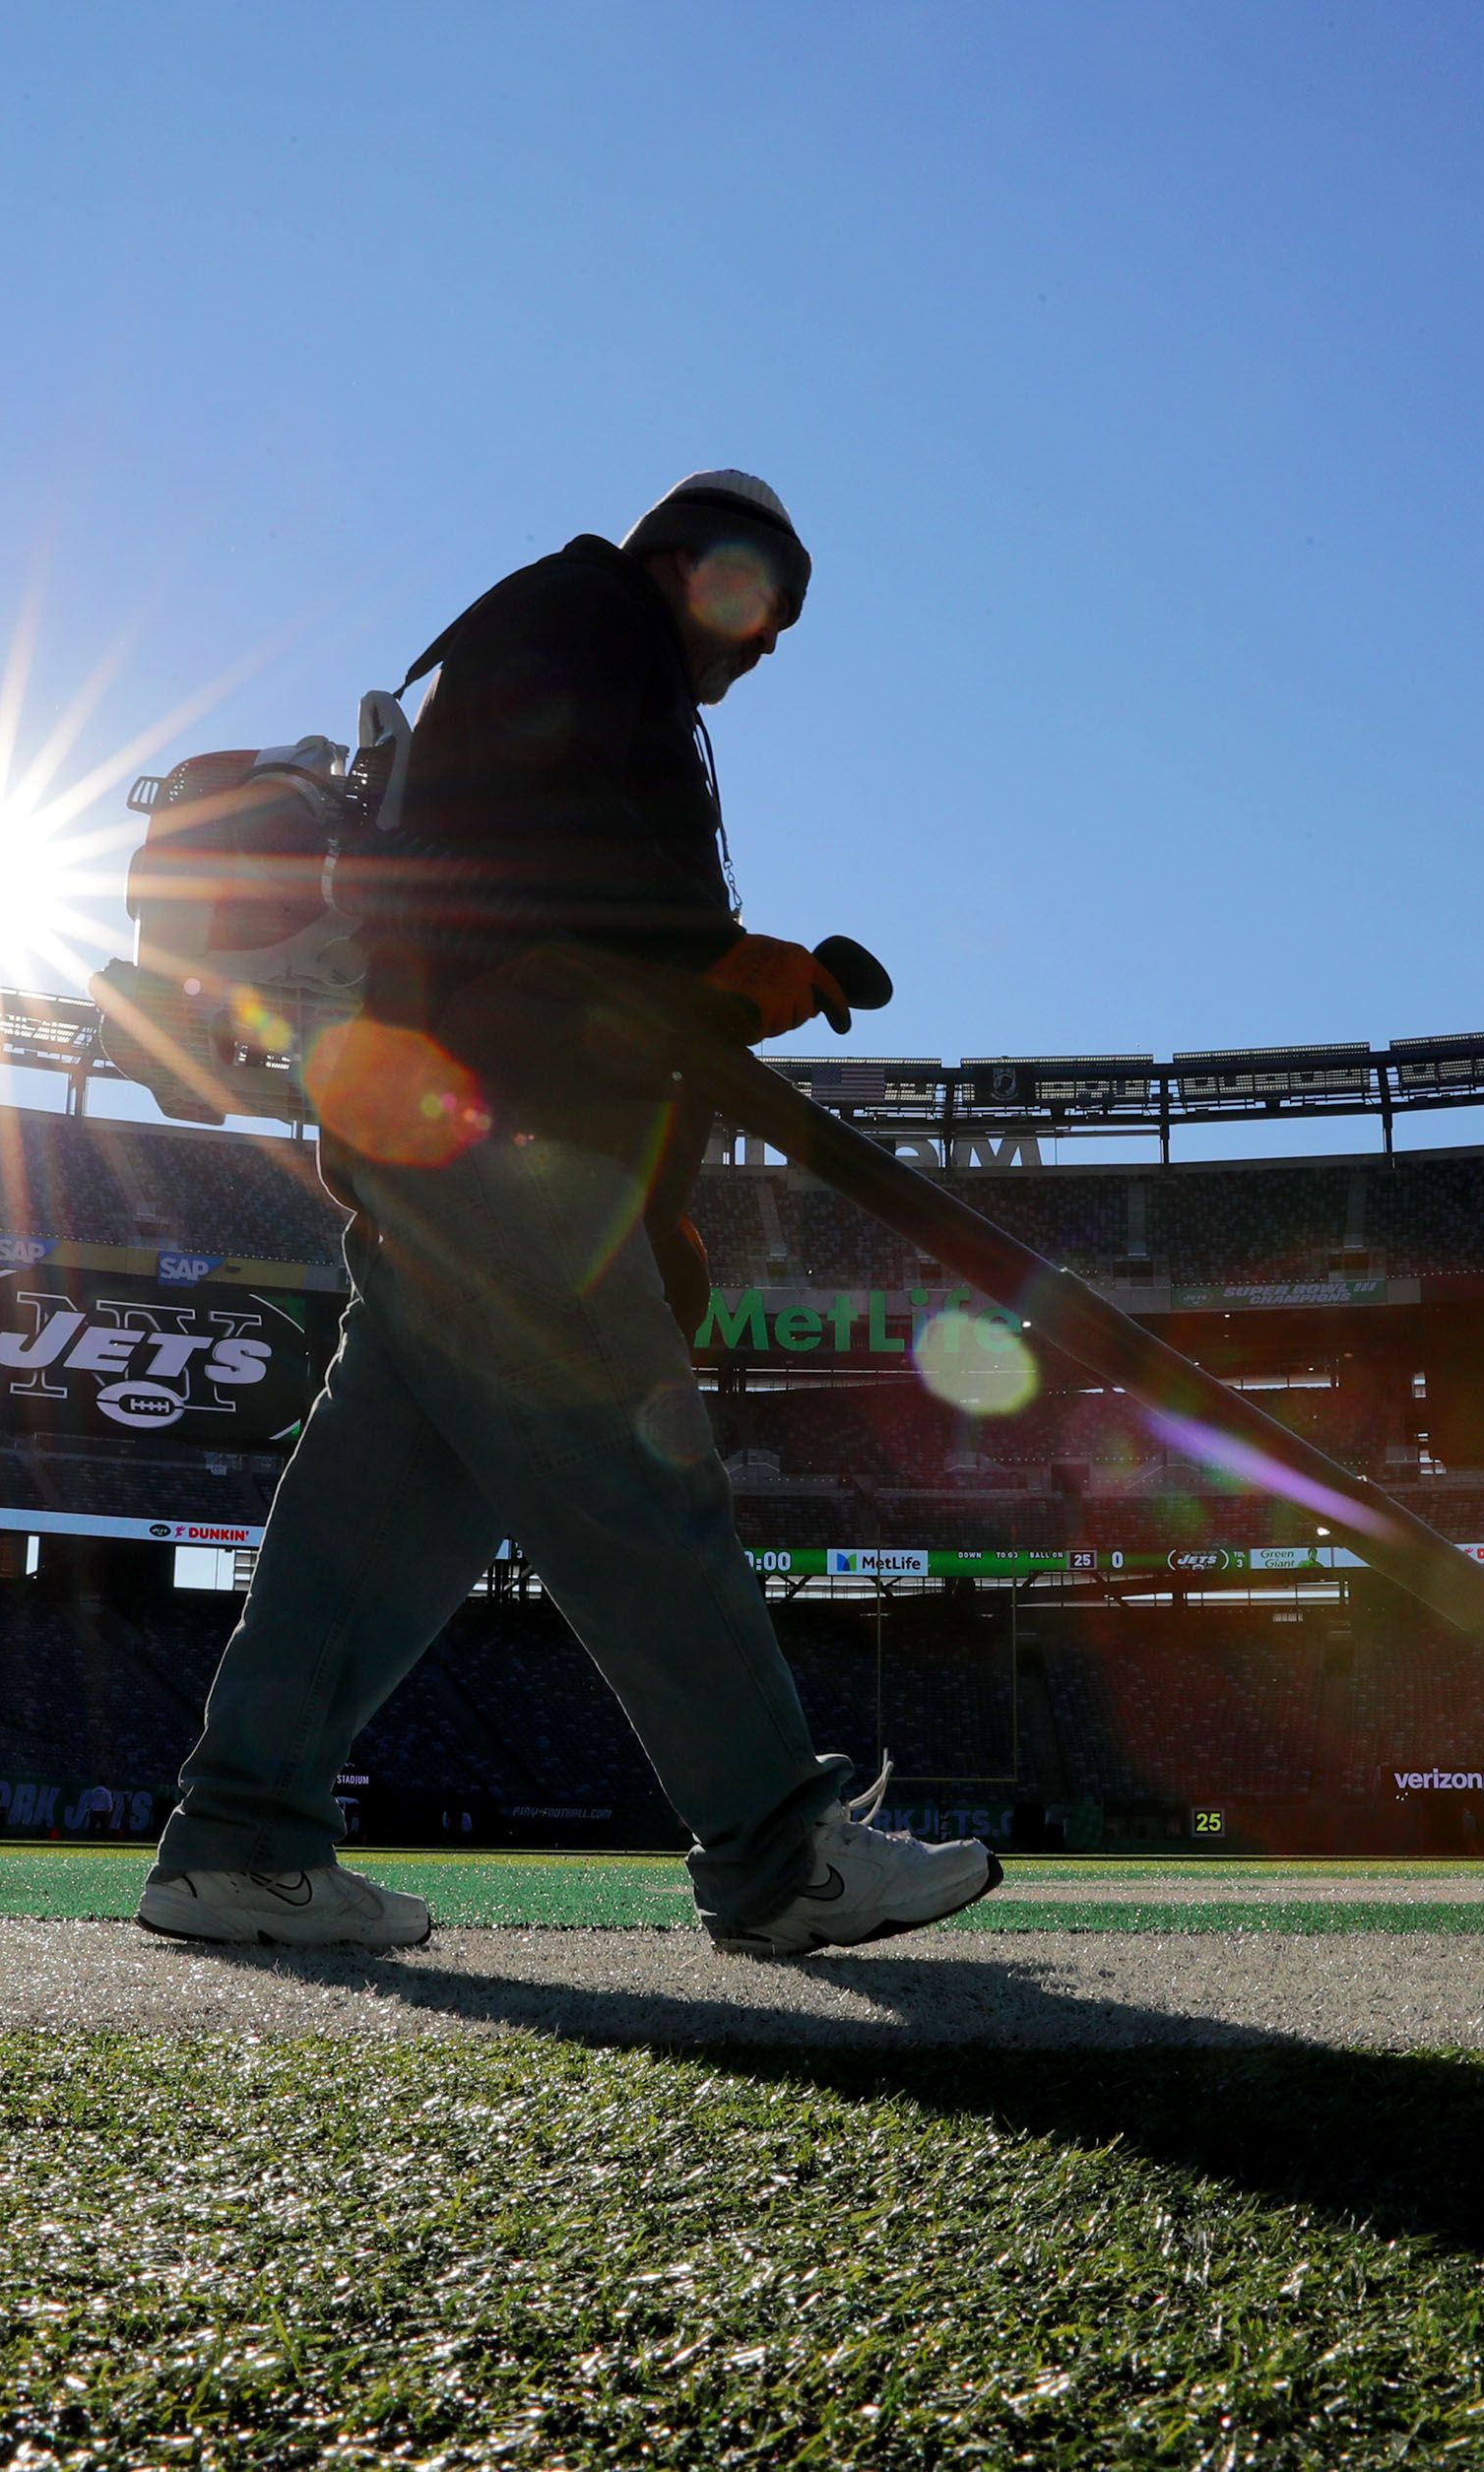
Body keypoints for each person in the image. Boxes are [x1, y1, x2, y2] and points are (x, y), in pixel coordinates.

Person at [140, 471, 1000, 1957]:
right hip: (492, 1129)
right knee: (630, 1468)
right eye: (757, 604)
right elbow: (527, 871)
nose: (765, 645)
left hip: (463, 1135)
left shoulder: (599, 656)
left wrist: (653, 1200)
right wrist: (719, 954)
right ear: (693, 562)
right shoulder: (577, 620)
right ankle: (775, 1850)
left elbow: (564, 929)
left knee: (378, 1515)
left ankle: (241, 1838)